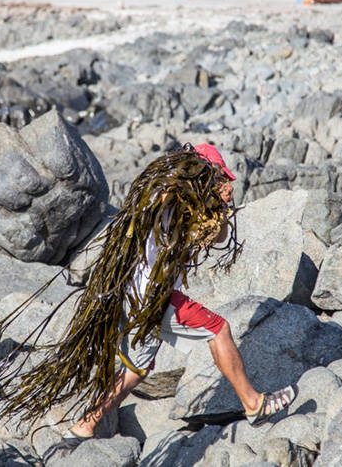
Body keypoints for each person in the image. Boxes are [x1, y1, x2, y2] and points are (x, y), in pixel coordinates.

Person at [60, 143, 297, 447]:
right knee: (218, 329)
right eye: (214, 177)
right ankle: (254, 404)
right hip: (152, 295)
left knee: (137, 369)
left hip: (133, 293)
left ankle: (83, 426)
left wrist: (220, 206)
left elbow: (219, 235)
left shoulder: (183, 202)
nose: (219, 184)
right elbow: (172, 206)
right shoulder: (170, 195)